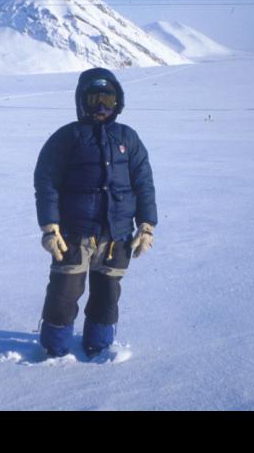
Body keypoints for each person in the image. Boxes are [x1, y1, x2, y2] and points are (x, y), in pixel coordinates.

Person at [34, 67, 157, 357]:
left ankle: (99, 346)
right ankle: (55, 348)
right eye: (93, 100)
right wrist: (50, 227)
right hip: (73, 235)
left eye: (108, 100)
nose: (101, 107)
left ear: (118, 102)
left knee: (107, 294)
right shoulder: (67, 137)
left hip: (117, 236)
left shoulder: (128, 138)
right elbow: (46, 183)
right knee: (64, 293)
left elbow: (144, 183)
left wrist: (147, 225)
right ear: (81, 102)